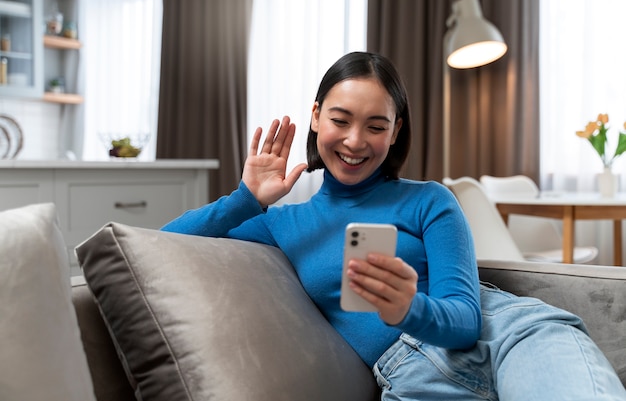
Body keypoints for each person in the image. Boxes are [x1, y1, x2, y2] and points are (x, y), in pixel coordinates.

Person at [162, 51, 626, 400]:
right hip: (412, 377)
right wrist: (246, 199)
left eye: (376, 126)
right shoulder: (283, 223)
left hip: (510, 337)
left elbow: (466, 321)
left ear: (396, 130)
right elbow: (165, 243)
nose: (355, 141)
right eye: (340, 120)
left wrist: (409, 308)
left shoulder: (430, 201)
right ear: (315, 115)